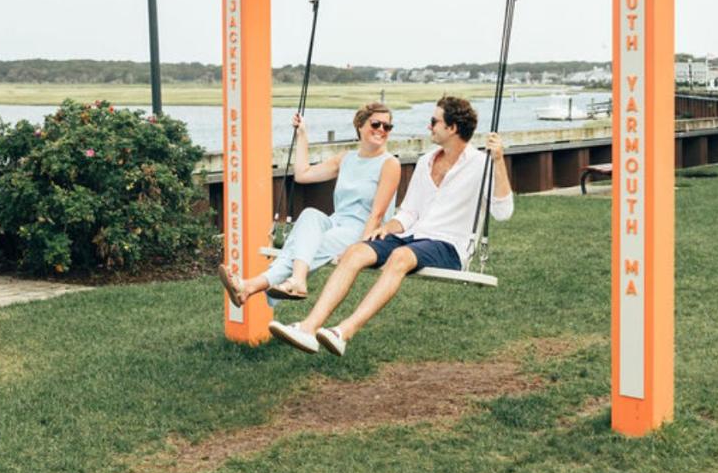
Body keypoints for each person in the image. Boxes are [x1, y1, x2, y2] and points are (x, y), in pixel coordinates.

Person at [268, 95, 512, 356]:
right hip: (413, 236)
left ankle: (343, 332)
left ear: (452, 128)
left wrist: (498, 162)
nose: (429, 126)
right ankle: (308, 328)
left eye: (434, 122)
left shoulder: (481, 164)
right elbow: (409, 212)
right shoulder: (425, 161)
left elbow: (503, 211)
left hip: (449, 244)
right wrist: (388, 227)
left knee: (400, 257)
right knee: (357, 251)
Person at [219, 102, 401, 305]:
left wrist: (358, 248)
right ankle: (291, 281)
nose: (382, 130)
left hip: (362, 231)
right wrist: (302, 135)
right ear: (360, 125)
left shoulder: (389, 164)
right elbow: (302, 175)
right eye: (376, 124)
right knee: (309, 215)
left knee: (306, 245)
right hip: (336, 222)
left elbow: (377, 215)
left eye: (387, 127)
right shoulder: (346, 159)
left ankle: (253, 286)